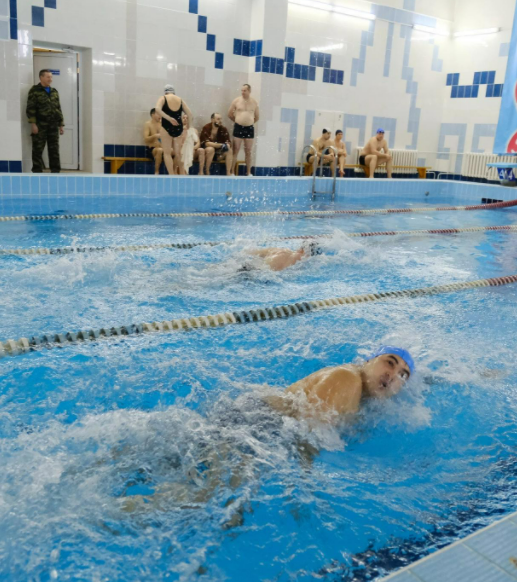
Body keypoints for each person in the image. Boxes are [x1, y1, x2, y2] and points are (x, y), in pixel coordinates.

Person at [266, 346, 414, 422]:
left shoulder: (366, 399)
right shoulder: (347, 378)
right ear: (368, 361)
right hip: (264, 421)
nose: (393, 375)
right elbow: (306, 435)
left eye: (403, 375)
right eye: (389, 362)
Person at [26, 69, 65, 173]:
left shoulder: (54, 91)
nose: (50, 79)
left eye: (51, 77)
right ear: (41, 77)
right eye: (48, 77)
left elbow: (58, 108)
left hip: (53, 125)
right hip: (40, 125)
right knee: (38, 150)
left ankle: (56, 172)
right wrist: (33, 124)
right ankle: (37, 172)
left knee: (54, 150)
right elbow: (30, 108)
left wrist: (61, 124)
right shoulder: (34, 91)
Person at [155, 84, 194, 176]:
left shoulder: (163, 98)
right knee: (178, 153)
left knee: (167, 153)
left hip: (166, 126)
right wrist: (190, 126)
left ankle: (172, 175)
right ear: (174, 92)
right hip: (178, 127)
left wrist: (168, 118)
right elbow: (190, 114)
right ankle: (182, 174)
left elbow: (157, 109)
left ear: (165, 92)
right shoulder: (180, 100)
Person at [228, 84, 259, 176]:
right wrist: (238, 121)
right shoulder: (236, 101)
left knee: (248, 151)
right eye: (241, 90)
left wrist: (248, 122)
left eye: (244, 91)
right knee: (235, 150)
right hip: (238, 127)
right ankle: (232, 171)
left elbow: (257, 117)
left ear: (249, 91)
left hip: (249, 128)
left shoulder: (254, 102)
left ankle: (248, 172)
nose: (242, 92)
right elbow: (229, 114)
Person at [240, 241, 323, 272]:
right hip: (264, 274)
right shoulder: (303, 261)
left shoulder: (280, 250)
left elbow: (252, 252)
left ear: (301, 248)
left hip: (253, 267)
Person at [143, 108, 165, 175]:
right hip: (152, 149)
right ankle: (156, 172)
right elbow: (146, 139)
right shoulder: (148, 124)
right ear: (152, 115)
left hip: (163, 148)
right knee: (159, 150)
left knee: (176, 152)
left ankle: (174, 172)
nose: (160, 116)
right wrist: (155, 136)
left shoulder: (163, 125)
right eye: (158, 114)